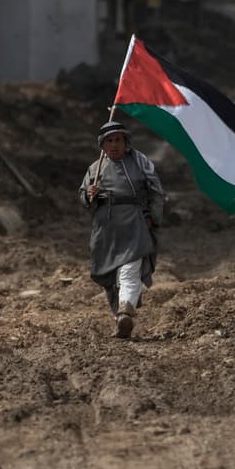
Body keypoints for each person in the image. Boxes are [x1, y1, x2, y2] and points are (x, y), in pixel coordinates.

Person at [80, 121, 164, 339]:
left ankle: (126, 309)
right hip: (105, 228)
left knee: (129, 270)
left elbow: (156, 191)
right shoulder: (94, 169)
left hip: (134, 222)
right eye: (109, 140)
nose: (114, 144)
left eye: (118, 140)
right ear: (103, 145)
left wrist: (152, 218)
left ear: (126, 142)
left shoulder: (140, 162)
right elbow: (84, 199)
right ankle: (120, 318)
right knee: (108, 275)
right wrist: (90, 194)